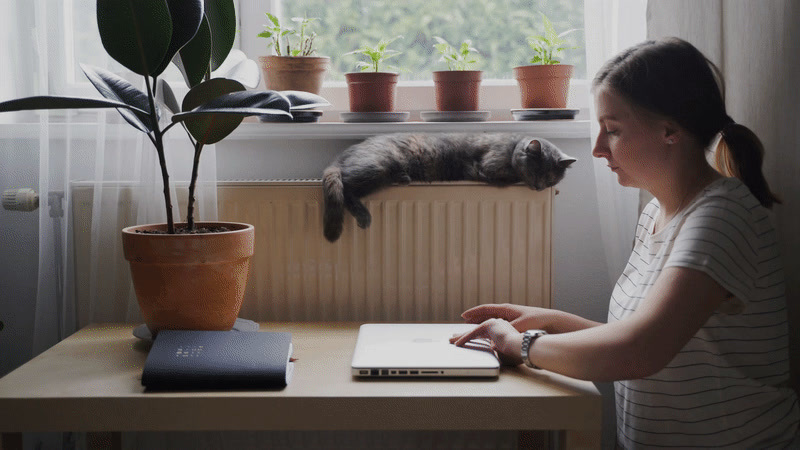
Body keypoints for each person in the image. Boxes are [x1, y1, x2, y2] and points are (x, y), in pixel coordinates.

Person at [450, 37, 799, 448]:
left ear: (669, 130)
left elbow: (640, 352)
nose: (597, 149)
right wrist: (547, 319)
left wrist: (520, 345)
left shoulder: (721, 217)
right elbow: (639, 338)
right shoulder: (657, 213)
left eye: (612, 130)